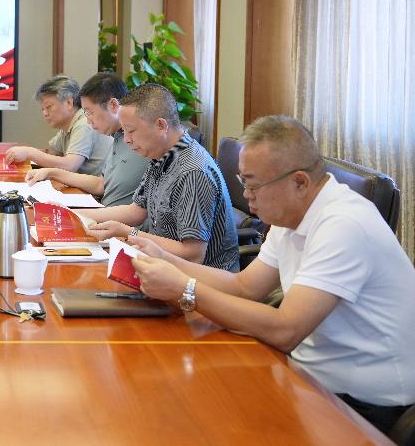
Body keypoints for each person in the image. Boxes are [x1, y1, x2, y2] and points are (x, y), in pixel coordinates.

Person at [129, 116, 415, 436]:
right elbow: (245, 287)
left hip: (366, 405)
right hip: (309, 375)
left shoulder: (344, 224)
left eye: (254, 185)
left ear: (300, 182)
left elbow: (285, 330)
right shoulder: (290, 213)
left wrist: (185, 289)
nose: (247, 195)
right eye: (243, 181)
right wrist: (165, 259)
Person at [85, 83, 239, 271]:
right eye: (124, 131)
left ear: (161, 125)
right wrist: (76, 215)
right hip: (162, 265)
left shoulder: (193, 171)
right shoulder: (161, 155)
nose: (126, 139)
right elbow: (135, 211)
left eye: (131, 131)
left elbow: (193, 255)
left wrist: (129, 233)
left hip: (199, 279)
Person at [26, 72, 150, 207]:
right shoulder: (117, 136)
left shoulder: (141, 141)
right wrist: (51, 173)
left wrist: (31, 154)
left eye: (90, 113)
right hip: (104, 210)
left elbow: (135, 213)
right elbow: (100, 184)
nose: (89, 121)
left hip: (112, 215)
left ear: (113, 105)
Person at [5, 75, 111, 175]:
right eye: (42, 109)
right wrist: (21, 153)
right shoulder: (66, 128)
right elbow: (51, 154)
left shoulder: (84, 123)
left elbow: (70, 166)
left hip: (101, 188)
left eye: (48, 107)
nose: (45, 113)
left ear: (69, 102)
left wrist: (29, 153)